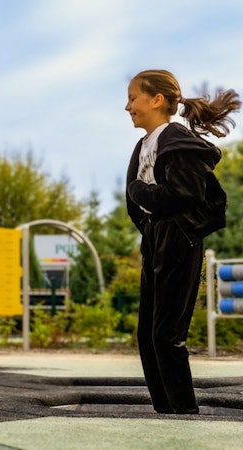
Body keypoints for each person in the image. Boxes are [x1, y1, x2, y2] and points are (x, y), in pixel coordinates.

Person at [125, 70, 240, 413]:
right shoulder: (145, 143)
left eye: (133, 98)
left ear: (156, 100)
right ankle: (165, 411)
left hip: (179, 241)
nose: (127, 105)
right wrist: (146, 222)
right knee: (147, 336)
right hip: (156, 240)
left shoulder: (176, 139)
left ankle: (185, 413)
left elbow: (185, 194)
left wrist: (139, 191)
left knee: (166, 335)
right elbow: (144, 202)